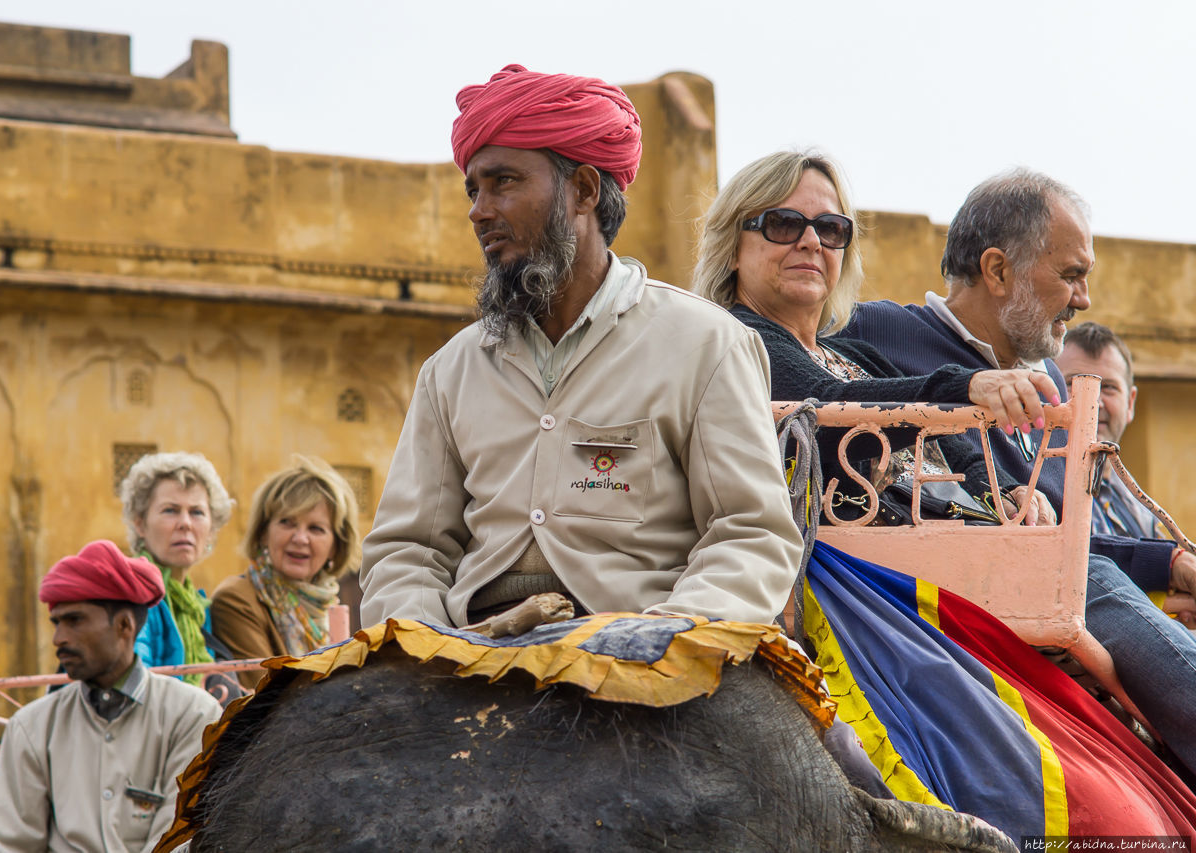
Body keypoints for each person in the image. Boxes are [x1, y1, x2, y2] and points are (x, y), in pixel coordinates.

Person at [359, 64, 803, 630]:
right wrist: (425, 645)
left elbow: (751, 534)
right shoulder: (452, 370)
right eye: (474, 189)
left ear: (585, 191)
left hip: (640, 638)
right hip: (474, 649)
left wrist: (668, 634)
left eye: (504, 182)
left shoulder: (706, 345)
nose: (478, 210)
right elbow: (407, 551)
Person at [841, 167, 1196, 776]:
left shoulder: (1053, 379)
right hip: (941, 592)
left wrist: (1169, 562)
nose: (1083, 299)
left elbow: (1068, 537)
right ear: (998, 270)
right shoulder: (874, 331)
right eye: (1071, 275)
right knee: (1096, 579)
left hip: (1057, 588)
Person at [693, 150, 1056, 523]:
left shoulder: (856, 356)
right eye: (784, 223)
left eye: (830, 228)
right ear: (733, 247)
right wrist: (963, 384)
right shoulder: (739, 342)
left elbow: (950, 442)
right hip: (853, 575)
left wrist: (1006, 489)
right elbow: (826, 412)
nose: (811, 242)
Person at [0, 541, 221, 853]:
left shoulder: (194, 716)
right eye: (57, 623)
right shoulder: (31, 728)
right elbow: (12, 847)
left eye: (75, 621)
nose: (58, 638)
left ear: (124, 625)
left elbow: (176, 843)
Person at [211, 456, 361, 688]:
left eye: (316, 528)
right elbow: (265, 696)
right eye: (287, 523)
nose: (300, 538)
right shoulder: (236, 599)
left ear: (336, 545)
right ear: (263, 532)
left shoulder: (326, 607)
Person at [118, 451, 234, 684]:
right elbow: (138, 684)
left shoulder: (197, 607)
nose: (185, 524)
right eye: (170, 510)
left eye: (197, 512)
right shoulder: (133, 593)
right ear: (140, 524)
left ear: (211, 529)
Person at [1054, 321, 1162, 538]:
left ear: (1130, 403)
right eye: (1074, 383)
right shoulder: (1033, 493)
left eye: (1109, 387)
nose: (1095, 402)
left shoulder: (1142, 510)